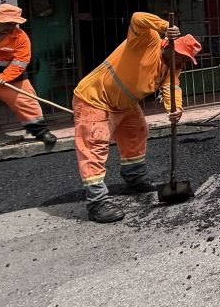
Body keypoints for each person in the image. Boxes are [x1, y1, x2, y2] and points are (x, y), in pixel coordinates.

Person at [71, 12, 201, 223]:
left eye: (187, 60)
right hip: (95, 98)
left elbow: (172, 88)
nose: (183, 62)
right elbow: (137, 17)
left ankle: (134, 179)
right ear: (170, 46)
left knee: (137, 132)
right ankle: (97, 202)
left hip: (125, 104)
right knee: (94, 145)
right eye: (183, 57)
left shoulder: (173, 66)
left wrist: (175, 110)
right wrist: (164, 26)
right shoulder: (147, 40)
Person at [0, 4, 57, 148]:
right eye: (6, 23)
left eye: (13, 23)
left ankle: (41, 132)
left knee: (27, 103)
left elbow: (20, 63)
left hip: (11, 80)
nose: (10, 26)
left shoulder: (21, 37)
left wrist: (4, 77)